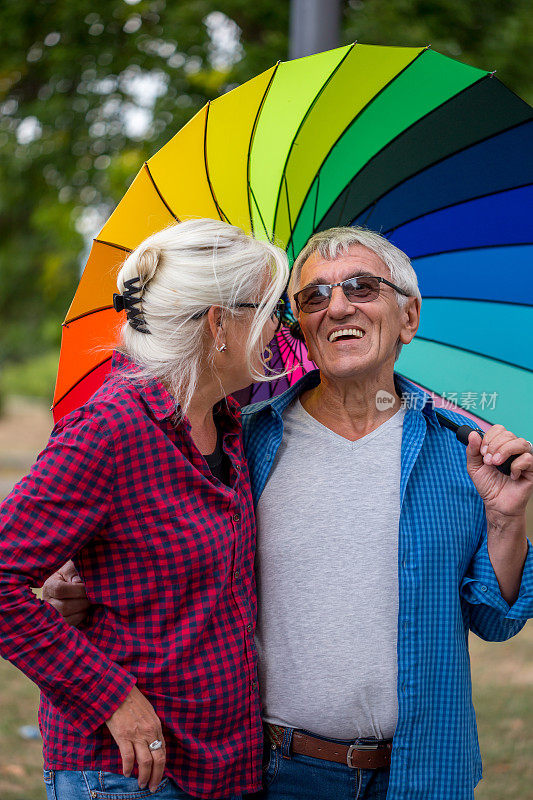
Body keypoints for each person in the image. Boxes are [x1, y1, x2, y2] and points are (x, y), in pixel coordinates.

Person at [44, 227, 533, 800]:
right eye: (312, 297)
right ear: (298, 324)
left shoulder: (462, 451)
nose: (338, 307)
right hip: (276, 769)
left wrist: (505, 522)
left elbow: (495, 621)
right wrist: (72, 581)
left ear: (409, 316)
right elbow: (152, 549)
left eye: (362, 287)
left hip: (422, 769)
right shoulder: (242, 439)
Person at [0, 218, 289, 800]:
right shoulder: (109, 430)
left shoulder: (230, 426)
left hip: (222, 763)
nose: (279, 327)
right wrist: (111, 698)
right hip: (130, 774)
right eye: (269, 310)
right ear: (219, 325)